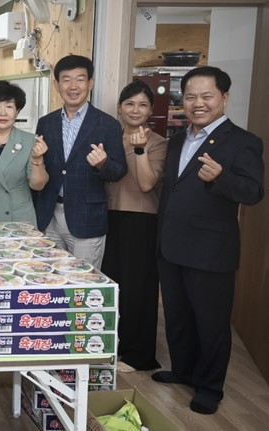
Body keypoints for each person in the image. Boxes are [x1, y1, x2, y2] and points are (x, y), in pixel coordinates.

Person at [152, 66, 264, 415]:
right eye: (190, 97)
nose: (197, 103)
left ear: (224, 98)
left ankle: (210, 387)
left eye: (206, 96)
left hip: (211, 251)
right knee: (178, 316)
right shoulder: (177, 140)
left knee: (211, 323)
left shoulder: (244, 141)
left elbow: (253, 192)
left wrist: (221, 177)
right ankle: (184, 370)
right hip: (171, 245)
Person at [34, 55, 127, 269]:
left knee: (84, 280)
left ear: (90, 83)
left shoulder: (108, 124)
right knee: (48, 275)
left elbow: (120, 170)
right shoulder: (46, 123)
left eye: (80, 79)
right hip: (49, 215)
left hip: (87, 218)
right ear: (57, 85)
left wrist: (103, 164)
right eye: (66, 80)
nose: (73, 86)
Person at [102, 80, 168, 373]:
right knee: (113, 285)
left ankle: (138, 354)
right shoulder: (110, 138)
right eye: (129, 104)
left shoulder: (158, 143)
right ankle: (113, 345)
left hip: (140, 220)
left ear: (151, 110)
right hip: (109, 217)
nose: (135, 110)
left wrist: (140, 150)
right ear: (119, 108)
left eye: (142, 105)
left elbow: (146, 184)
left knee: (137, 288)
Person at [0, 81, 48, 226]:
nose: (3, 113)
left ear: (17, 111)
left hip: (19, 219)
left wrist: (37, 158)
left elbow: (37, 185)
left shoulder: (31, 141)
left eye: (9, 106)